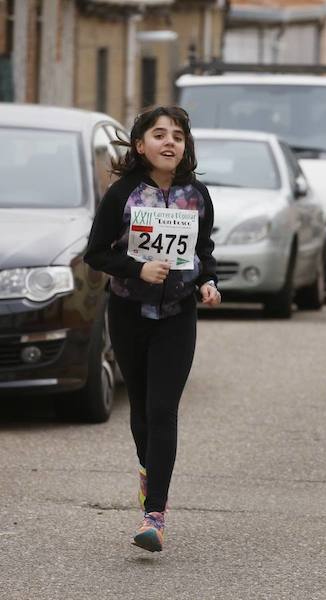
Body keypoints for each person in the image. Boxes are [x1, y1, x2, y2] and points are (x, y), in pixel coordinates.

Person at [84, 105, 220, 552]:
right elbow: (97, 254)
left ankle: (154, 515)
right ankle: (149, 470)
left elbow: (203, 250)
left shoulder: (196, 195)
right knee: (141, 411)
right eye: (159, 135)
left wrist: (207, 283)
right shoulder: (122, 193)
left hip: (178, 316)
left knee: (163, 410)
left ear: (185, 147)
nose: (169, 142)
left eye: (177, 136)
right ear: (140, 145)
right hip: (128, 313)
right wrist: (137, 269)